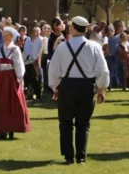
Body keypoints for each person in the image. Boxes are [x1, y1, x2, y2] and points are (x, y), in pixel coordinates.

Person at [48, 17, 109, 165]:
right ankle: (81, 156)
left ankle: (68, 156)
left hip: (67, 87)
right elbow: (103, 71)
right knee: (83, 123)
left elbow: (53, 70)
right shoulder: (94, 47)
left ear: (72, 28)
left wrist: (55, 87)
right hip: (86, 87)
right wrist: (101, 89)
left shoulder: (62, 47)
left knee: (65, 122)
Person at [0, 27, 30, 140]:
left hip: (11, 79)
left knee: (12, 104)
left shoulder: (15, 49)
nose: (5, 38)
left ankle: (11, 129)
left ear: (12, 37)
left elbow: (19, 65)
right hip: (0, 79)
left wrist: (19, 78)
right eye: (4, 35)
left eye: (7, 36)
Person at [23, 26, 43, 102]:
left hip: (36, 63)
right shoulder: (28, 40)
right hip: (27, 62)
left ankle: (38, 96)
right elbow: (26, 50)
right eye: (36, 31)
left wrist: (36, 61)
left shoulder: (41, 40)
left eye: (39, 31)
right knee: (28, 79)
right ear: (32, 32)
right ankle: (29, 95)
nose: (37, 33)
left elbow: (40, 52)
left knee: (36, 80)